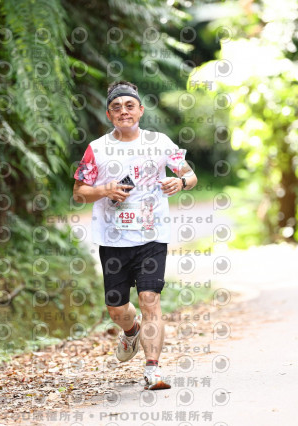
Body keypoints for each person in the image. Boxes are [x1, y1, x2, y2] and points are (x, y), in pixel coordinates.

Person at [73, 81, 198, 390]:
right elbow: (79, 192)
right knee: (117, 309)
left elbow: (189, 174)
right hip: (113, 238)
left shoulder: (160, 142)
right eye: (116, 107)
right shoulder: (97, 149)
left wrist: (181, 183)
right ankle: (131, 331)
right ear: (109, 115)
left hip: (153, 234)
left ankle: (152, 370)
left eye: (130, 106)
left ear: (140, 110)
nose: (124, 111)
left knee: (149, 299)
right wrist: (104, 190)